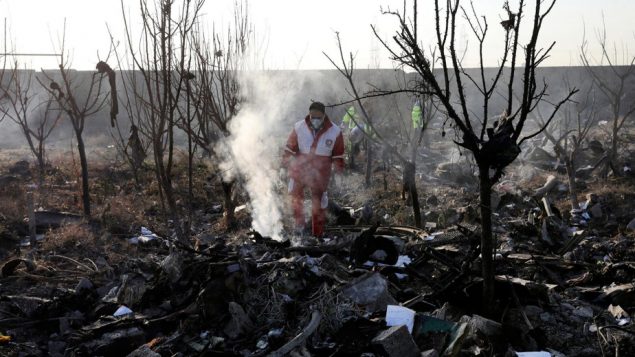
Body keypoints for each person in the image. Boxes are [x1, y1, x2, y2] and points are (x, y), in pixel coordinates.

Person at [283, 101, 345, 237]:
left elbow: (338, 155)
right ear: (309, 115)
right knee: (295, 197)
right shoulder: (299, 127)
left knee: (319, 203)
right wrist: (285, 165)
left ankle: (317, 234)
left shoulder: (335, 132)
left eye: (318, 117)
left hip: (321, 174)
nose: (315, 120)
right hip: (300, 170)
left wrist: (339, 174)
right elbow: (289, 148)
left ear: (324, 116)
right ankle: (300, 228)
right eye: (312, 116)